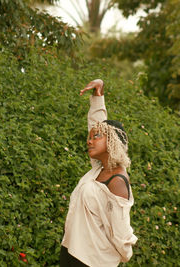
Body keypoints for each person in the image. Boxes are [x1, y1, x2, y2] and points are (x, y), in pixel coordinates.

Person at [60, 79, 138, 267]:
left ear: (112, 142)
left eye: (96, 137)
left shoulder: (117, 180)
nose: (89, 140)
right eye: (90, 137)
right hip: (71, 251)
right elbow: (96, 123)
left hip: (92, 261)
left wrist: (123, 253)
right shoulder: (99, 168)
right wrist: (98, 94)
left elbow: (121, 232)